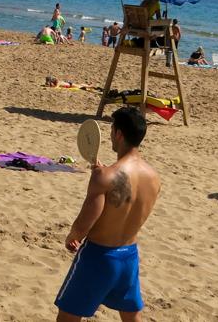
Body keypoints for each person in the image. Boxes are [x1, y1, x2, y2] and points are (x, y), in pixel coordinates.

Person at [55, 107, 160, 321]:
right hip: (129, 256)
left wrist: (73, 237)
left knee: (67, 317)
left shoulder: (105, 176)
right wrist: (103, 175)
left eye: (112, 130)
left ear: (119, 134)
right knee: (131, 316)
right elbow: (124, 199)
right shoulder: (153, 177)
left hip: (99, 257)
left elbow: (85, 221)